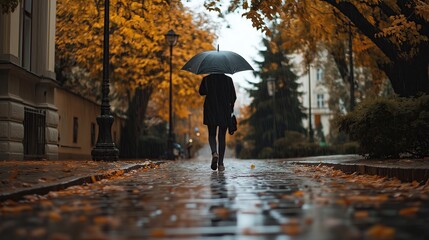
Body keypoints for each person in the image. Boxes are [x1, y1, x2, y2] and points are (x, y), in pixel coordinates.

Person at [199, 73, 236, 171]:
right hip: (224, 110)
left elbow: (201, 92)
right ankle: (220, 164)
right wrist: (230, 107)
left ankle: (214, 153)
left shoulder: (206, 79)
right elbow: (233, 96)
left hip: (210, 108)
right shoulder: (228, 80)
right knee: (221, 136)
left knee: (212, 134)